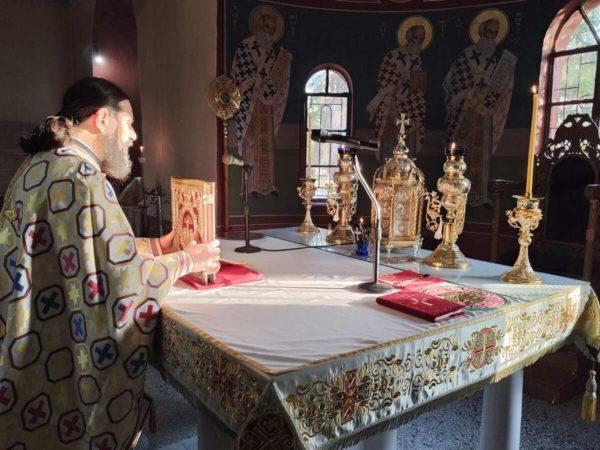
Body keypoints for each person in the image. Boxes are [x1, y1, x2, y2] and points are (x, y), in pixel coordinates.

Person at [0, 77, 220, 449]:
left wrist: (155, 246)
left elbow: (83, 250)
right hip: (62, 352)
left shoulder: (38, 166)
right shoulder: (84, 178)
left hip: (27, 337)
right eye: (129, 123)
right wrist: (188, 259)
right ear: (103, 119)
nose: (133, 136)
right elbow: (123, 282)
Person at [442, 10, 515, 205]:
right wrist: (472, 91)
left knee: (480, 153)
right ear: (481, 32)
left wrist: (507, 74)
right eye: (488, 32)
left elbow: (496, 87)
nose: (491, 38)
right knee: (461, 149)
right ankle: (454, 194)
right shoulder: (467, 55)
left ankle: (479, 193)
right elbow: (456, 82)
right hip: (465, 111)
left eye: (494, 34)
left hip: (484, 113)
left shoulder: (494, 59)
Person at [231, 5, 292, 195]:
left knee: (266, 145)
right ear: (259, 27)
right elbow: (239, 76)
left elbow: (274, 79)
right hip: (249, 105)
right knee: (251, 143)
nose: (269, 33)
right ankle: (250, 185)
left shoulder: (272, 53)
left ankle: (267, 184)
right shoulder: (246, 47)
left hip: (265, 105)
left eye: (273, 30)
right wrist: (255, 81)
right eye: (267, 28)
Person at [368, 17, 432, 159]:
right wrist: (401, 79)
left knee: (409, 144)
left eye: (421, 40)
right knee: (389, 143)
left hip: (411, 107)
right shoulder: (393, 56)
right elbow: (383, 83)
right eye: (416, 38)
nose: (418, 43)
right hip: (392, 106)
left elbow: (419, 87)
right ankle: (385, 169)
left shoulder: (417, 60)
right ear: (408, 36)